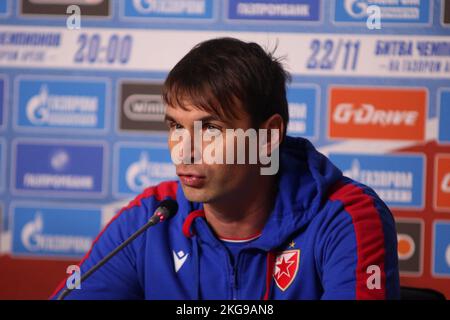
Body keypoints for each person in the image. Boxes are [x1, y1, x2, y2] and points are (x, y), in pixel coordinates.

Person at [51, 37, 400, 300]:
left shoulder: (346, 218)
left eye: (211, 130)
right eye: (175, 127)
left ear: (267, 136)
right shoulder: (150, 219)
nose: (184, 150)